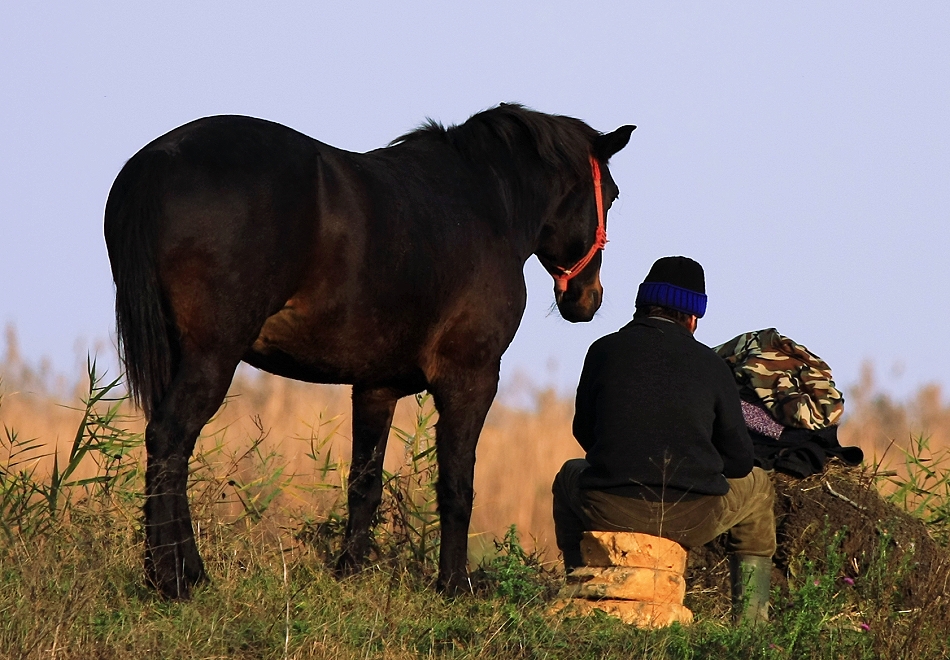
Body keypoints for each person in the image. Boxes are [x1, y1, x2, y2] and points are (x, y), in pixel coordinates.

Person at [552, 256, 776, 623]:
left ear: (641, 306)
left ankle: (584, 587)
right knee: (759, 486)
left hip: (610, 507)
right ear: (692, 318)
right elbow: (738, 460)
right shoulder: (713, 366)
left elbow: (584, 433)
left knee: (567, 477)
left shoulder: (603, 350)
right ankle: (750, 625)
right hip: (692, 517)